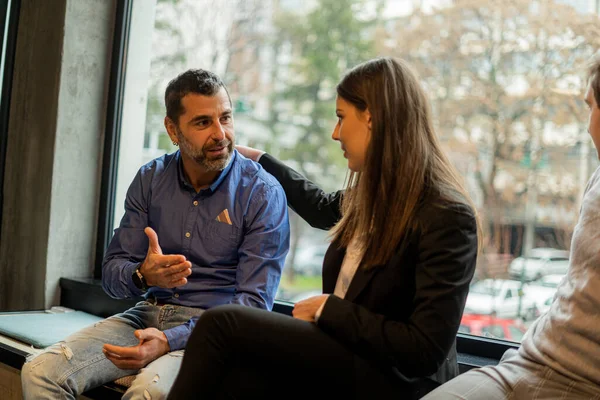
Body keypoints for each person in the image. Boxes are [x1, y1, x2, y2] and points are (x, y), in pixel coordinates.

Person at [166, 57, 480, 400]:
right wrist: (262, 161)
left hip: (397, 380)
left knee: (220, 324)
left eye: (341, 118)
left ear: (372, 118)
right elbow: (320, 207)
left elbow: (424, 349)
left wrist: (330, 311)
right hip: (346, 356)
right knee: (238, 377)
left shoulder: (447, 216)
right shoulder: (371, 197)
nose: (335, 133)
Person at [20, 69, 290, 400]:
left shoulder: (262, 193)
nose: (221, 133)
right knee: (39, 372)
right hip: (146, 315)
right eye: (203, 123)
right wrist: (142, 274)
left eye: (226, 118)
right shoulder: (151, 179)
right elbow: (112, 274)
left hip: (212, 332)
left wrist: (170, 339)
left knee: (148, 395)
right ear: (172, 130)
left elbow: (253, 306)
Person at [420, 55, 600, 400]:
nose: (587, 125)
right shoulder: (597, 177)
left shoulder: (446, 214)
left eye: (591, 107)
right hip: (526, 362)